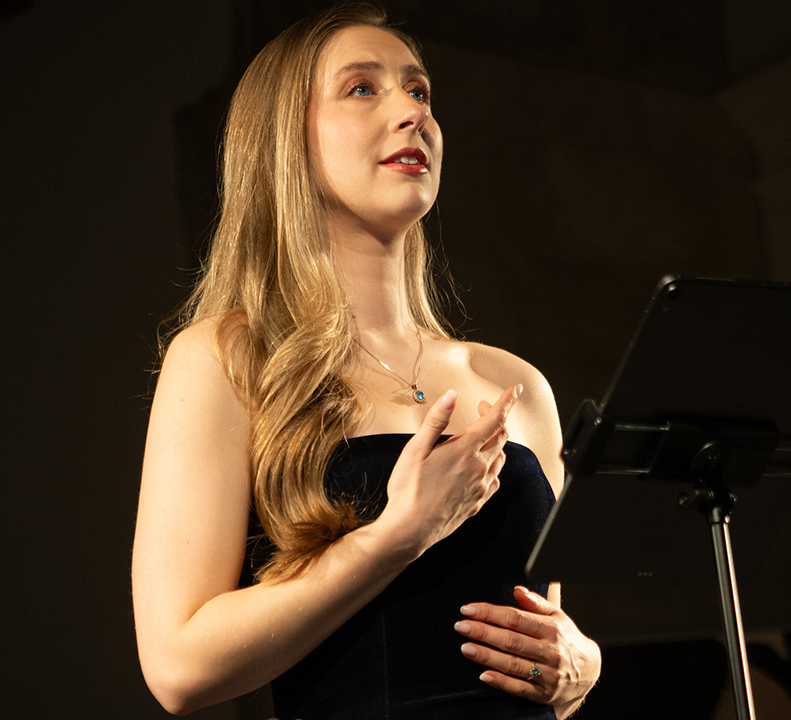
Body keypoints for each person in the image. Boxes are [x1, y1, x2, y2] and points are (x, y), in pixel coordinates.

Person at [131, 5, 601, 718]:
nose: (412, 112)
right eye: (362, 88)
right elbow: (178, 667)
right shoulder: (227, 360)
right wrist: (397, 537)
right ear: (287, 142)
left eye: (420, 91)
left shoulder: (514, 384)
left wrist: (580, 665)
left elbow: (541, 642)